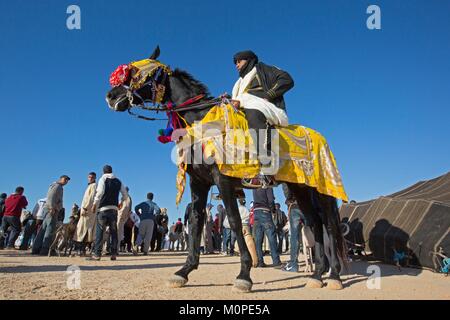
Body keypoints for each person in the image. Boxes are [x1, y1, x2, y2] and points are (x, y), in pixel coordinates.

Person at [231, 50, 294, 188]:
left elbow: (287, 79)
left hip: (262, 106)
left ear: (249, 60)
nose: (236, 64)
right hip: (243, 107)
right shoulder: (239, 83)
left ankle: (267, 169)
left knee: (253, 114)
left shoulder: (263, 69)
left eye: (239, 61)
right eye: (235, 62)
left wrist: (269, 94)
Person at [87, 165, 128, 261]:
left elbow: (100, 192)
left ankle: (97, 254)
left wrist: (94, 204)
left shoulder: (103, 179)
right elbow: (125, 194)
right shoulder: (118, 181)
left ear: (103, 171)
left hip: (103, 209)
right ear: (112, 171)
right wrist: (120, 202)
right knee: (114, 232)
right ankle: (113, 254)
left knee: (100, 232)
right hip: (114, 210)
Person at [32, 175, 70, 255]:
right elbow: (51, 197)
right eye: (65, 179)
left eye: (67, 180)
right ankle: (45, 249)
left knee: (43, 229)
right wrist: (52, 208)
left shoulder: (55, 185)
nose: (66, 181)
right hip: (52, 210)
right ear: (60, 179)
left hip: (49, 209)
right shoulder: (57, 186)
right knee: (50, 229)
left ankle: (36, 248)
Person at [281, 183, 308, 272]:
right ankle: (323, 262)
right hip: (309, 205)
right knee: (314, 232)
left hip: (295, 205)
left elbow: (286, 190)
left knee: (294, 236)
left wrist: (289, 199)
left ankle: (293, 264)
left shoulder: (288, 174)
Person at [252, 187, 281, 268]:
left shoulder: (255, 186)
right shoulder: (267, 185)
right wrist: (273, 210)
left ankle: (260, 262)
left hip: (256, 212)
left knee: (258, 239)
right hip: (265, 211)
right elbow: (271, 200)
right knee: (272, 237)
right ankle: (276, 261)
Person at [74, 172, 97, 256]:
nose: (90, 178)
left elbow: (91, 198)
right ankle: (80, 250)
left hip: (87, 212)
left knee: (83, 230)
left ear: (95, 178)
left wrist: (85, 208)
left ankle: (81, 250)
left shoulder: (94, 186)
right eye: (89, 177)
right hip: (86, 211)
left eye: (92, 177)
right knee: (82, 230)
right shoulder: (90, 186)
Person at [117, 187, 132, 251]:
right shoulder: (129, 198)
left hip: (121, 216)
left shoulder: (124, 197)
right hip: (124, 217)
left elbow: (123, 207)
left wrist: (119, 212)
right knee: (121, 232)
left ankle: (116, 249)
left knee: (118, 232)